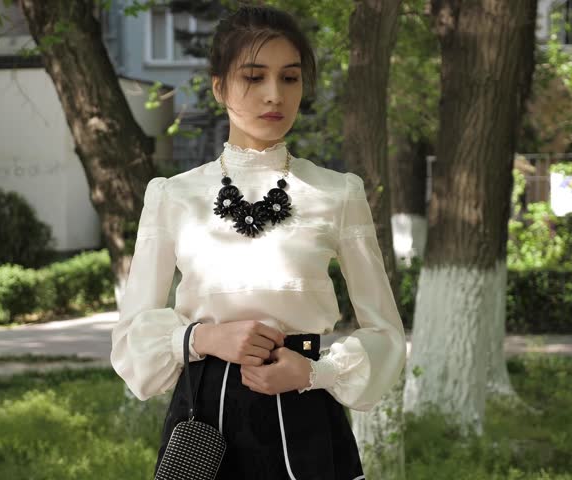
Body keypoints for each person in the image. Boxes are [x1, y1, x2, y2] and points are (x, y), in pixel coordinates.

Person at [110, 5, 406, 479]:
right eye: (254, 76)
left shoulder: (337, 192)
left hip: (306, 410)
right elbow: (129, 340)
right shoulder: (174, 196)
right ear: (219, 87)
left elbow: (386, 332)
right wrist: (203, 336)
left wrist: (315, 373)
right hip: (205, 421)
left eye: (290, 78)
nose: (274, 94)